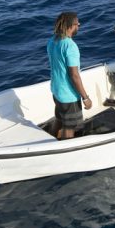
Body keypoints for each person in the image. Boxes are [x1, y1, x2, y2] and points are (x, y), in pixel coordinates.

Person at [46, 12, 93, 140]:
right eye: (78, 24)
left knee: (60, 118)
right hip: (69, 95)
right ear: (71, 26)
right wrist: (85, 98)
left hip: (56, 90)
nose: (79, 26)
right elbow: (74, 75)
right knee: (69, 127)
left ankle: (50, 139)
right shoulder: (70, 46)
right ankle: (65, 149)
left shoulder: (52, 41)